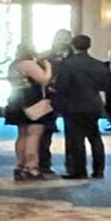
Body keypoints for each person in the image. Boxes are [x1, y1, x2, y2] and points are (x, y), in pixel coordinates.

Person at [52, 34, 111, 179]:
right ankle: (99, 170)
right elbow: (106, 85)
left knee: (76, 140)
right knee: (95, 138)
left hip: (73, 105)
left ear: (73, 46)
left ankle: (79, 171)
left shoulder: (67, 64)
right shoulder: (99, 64)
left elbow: (62, 85)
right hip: (93, 104)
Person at [4, 43, 54, 181]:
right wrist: (48, 67)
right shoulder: (28, 64)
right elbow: (44, 79)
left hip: (16, 102)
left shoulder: (13, 65)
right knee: (34, 135)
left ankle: (20, 165)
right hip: (32, 102)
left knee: (22, 135)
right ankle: (31, 167)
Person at [38, 28, 73, 174]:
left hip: (70, 97)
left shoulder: (74, 56)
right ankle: (44, 164)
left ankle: (71, 166)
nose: (64, 41)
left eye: (67, 38)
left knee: (72, 134)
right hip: (49, 97)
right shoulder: (45, 56)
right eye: (61, 38)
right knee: (46, 132)